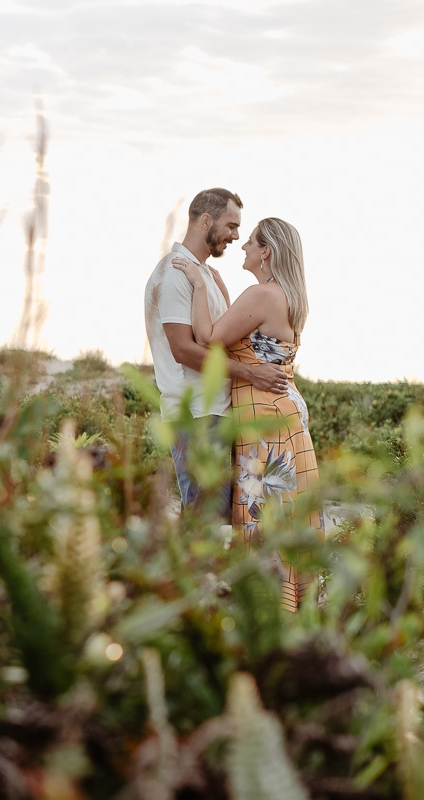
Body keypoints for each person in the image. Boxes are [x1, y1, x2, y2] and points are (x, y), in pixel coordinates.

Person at [171, 216, 322, 612]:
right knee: (289, 515)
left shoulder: (262, 297)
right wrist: (219, 285)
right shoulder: (282, 294)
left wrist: (201, 283)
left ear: (266, 251)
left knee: (264, 514)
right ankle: (295, 612)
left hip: (265, 419)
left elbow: (208, 337)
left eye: (250, 241)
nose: (243, 246)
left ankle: (269, 613)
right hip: (285, 413)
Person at [144, 188, 287, 516]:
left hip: (217, 413)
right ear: (205, 220)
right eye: (231, 225)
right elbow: (183, 350)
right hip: (194, 414)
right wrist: (252, 374)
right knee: (203, 517)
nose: (236, 236)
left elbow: (223, 339)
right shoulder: (175, 273)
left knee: (221, 516)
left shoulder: (206, 275)